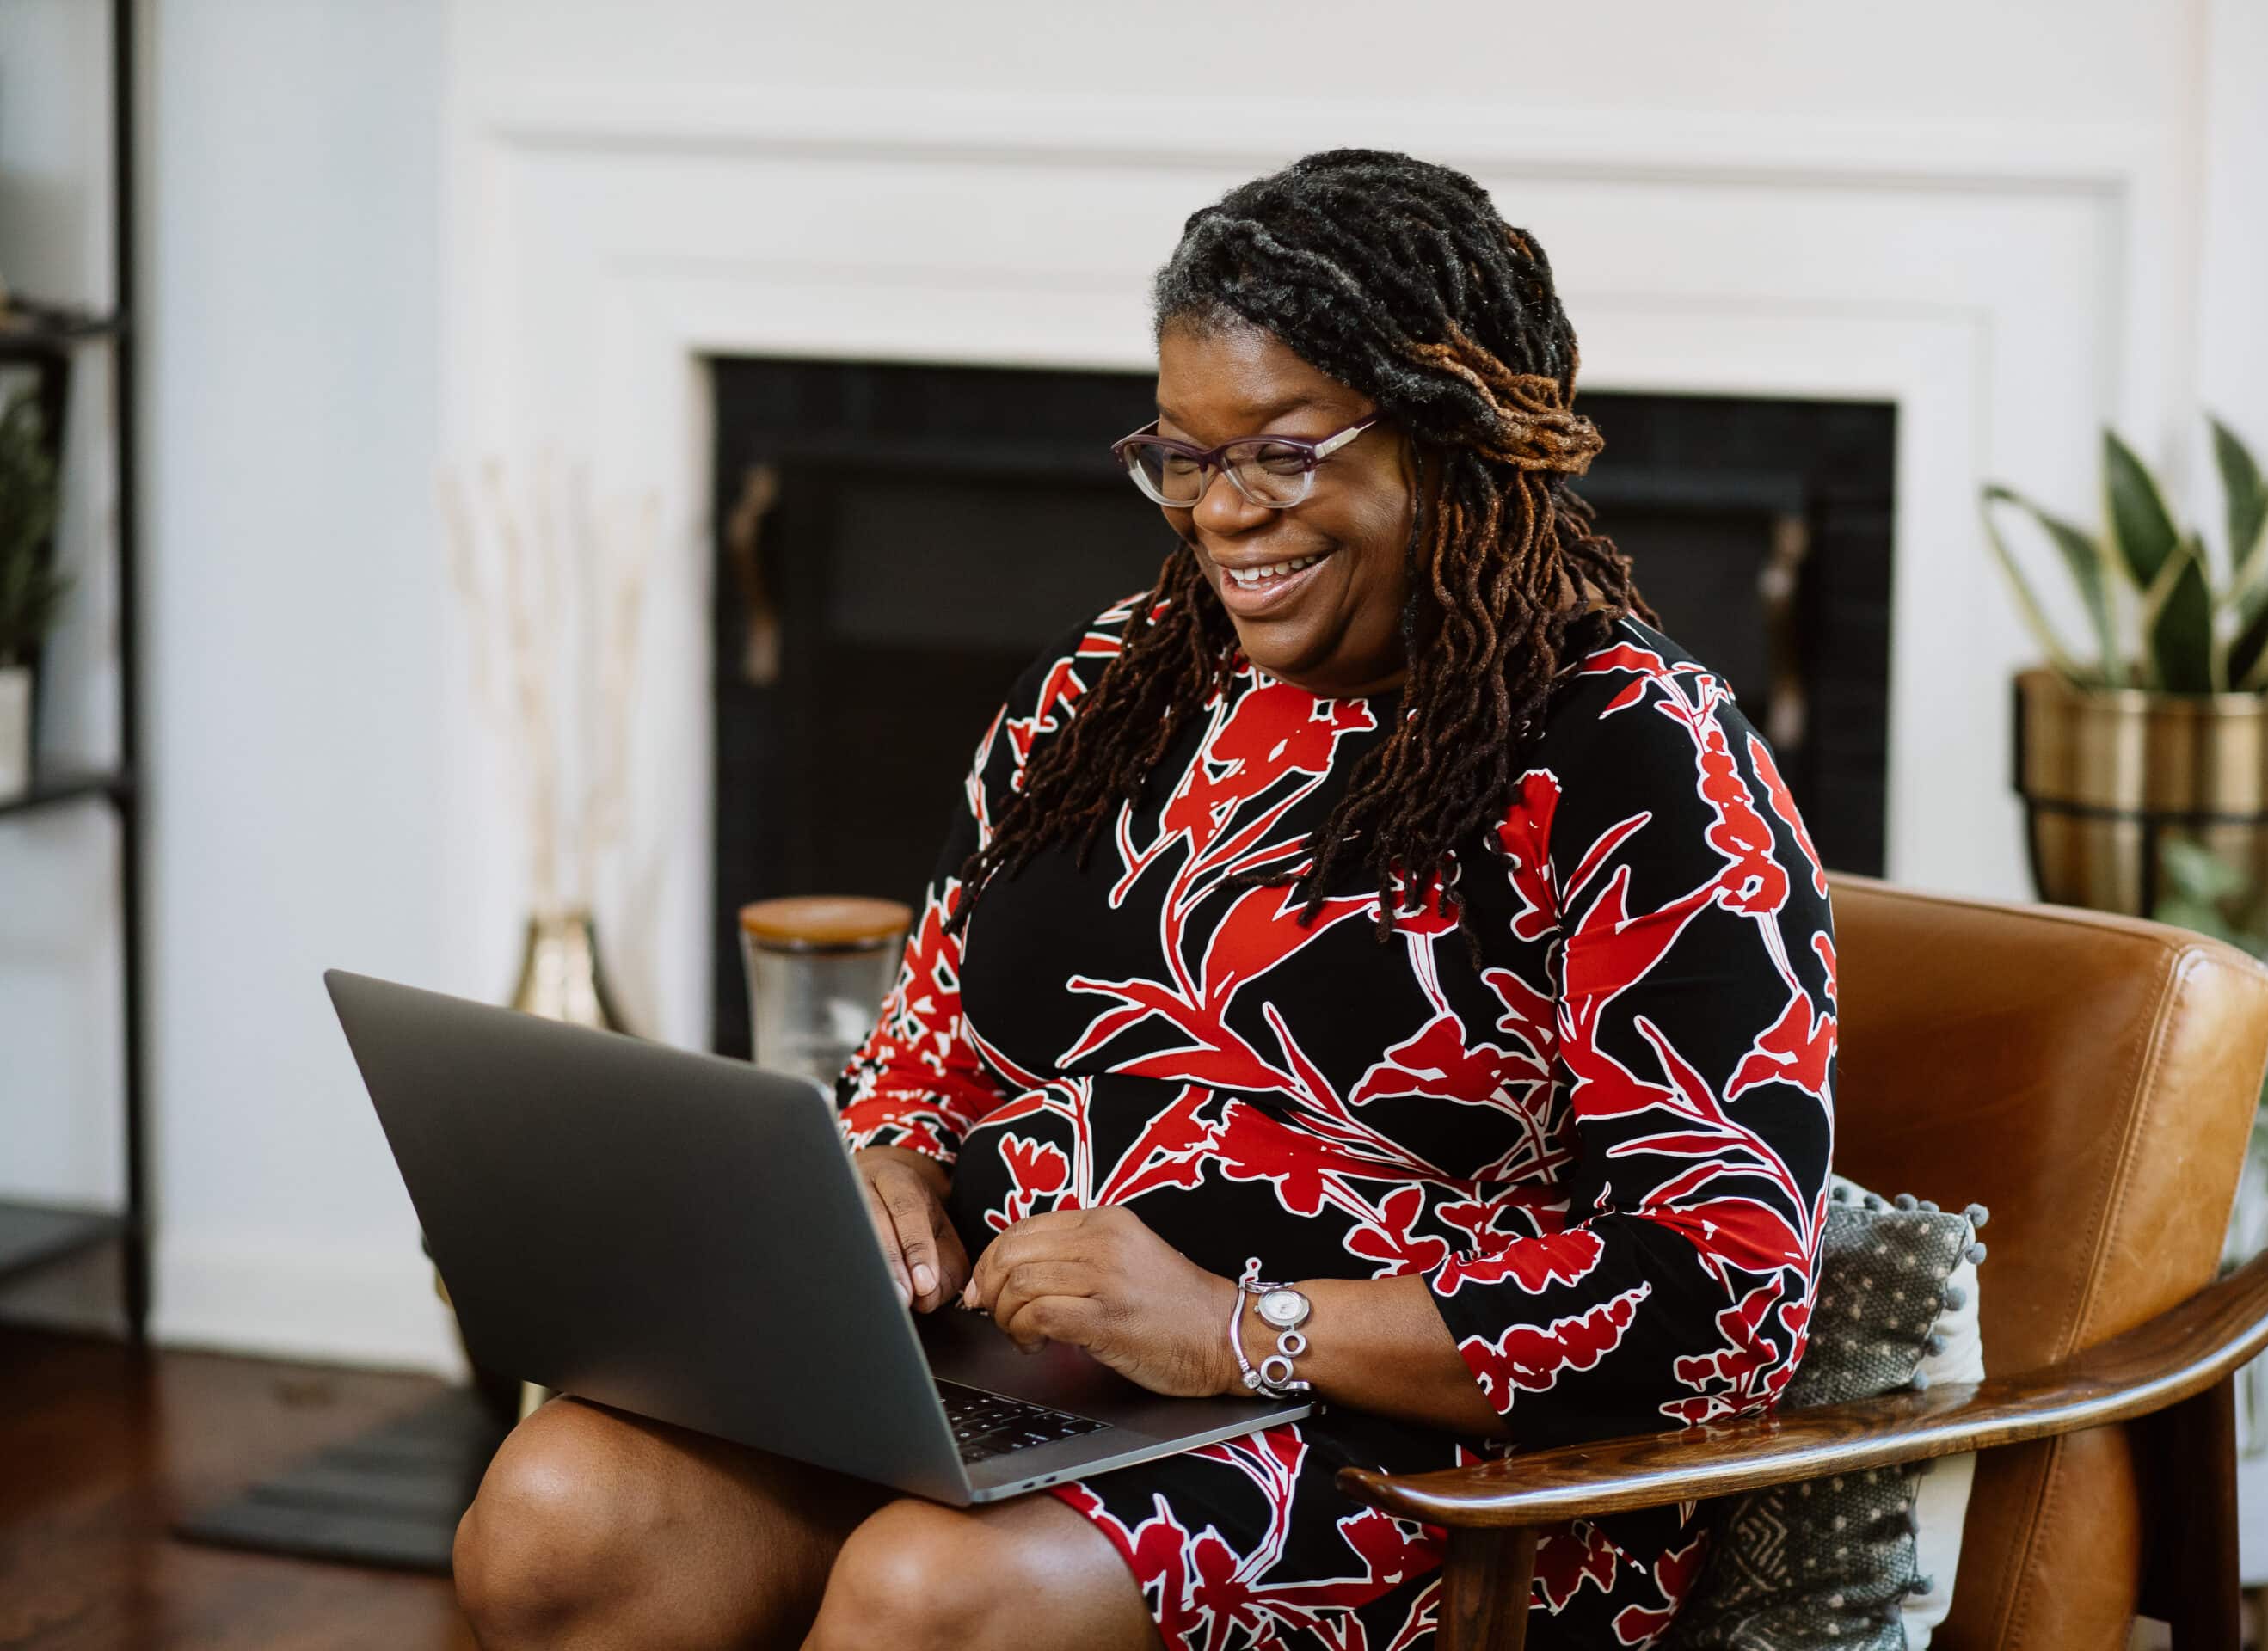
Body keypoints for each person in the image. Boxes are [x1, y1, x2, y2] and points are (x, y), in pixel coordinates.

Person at [451, 149, 1835, 1651]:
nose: (1225, 513)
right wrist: (892, 1168)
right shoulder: (1112, 685)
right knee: (560, 1510)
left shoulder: (1638, 754)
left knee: (935, 1595)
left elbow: (1723, 1300)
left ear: (1455, 439)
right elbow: (924, 1055)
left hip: (1416, 1454)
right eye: (1184, 455)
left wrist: (1236, 1327)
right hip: (1018, 1380)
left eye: (1285, 452)